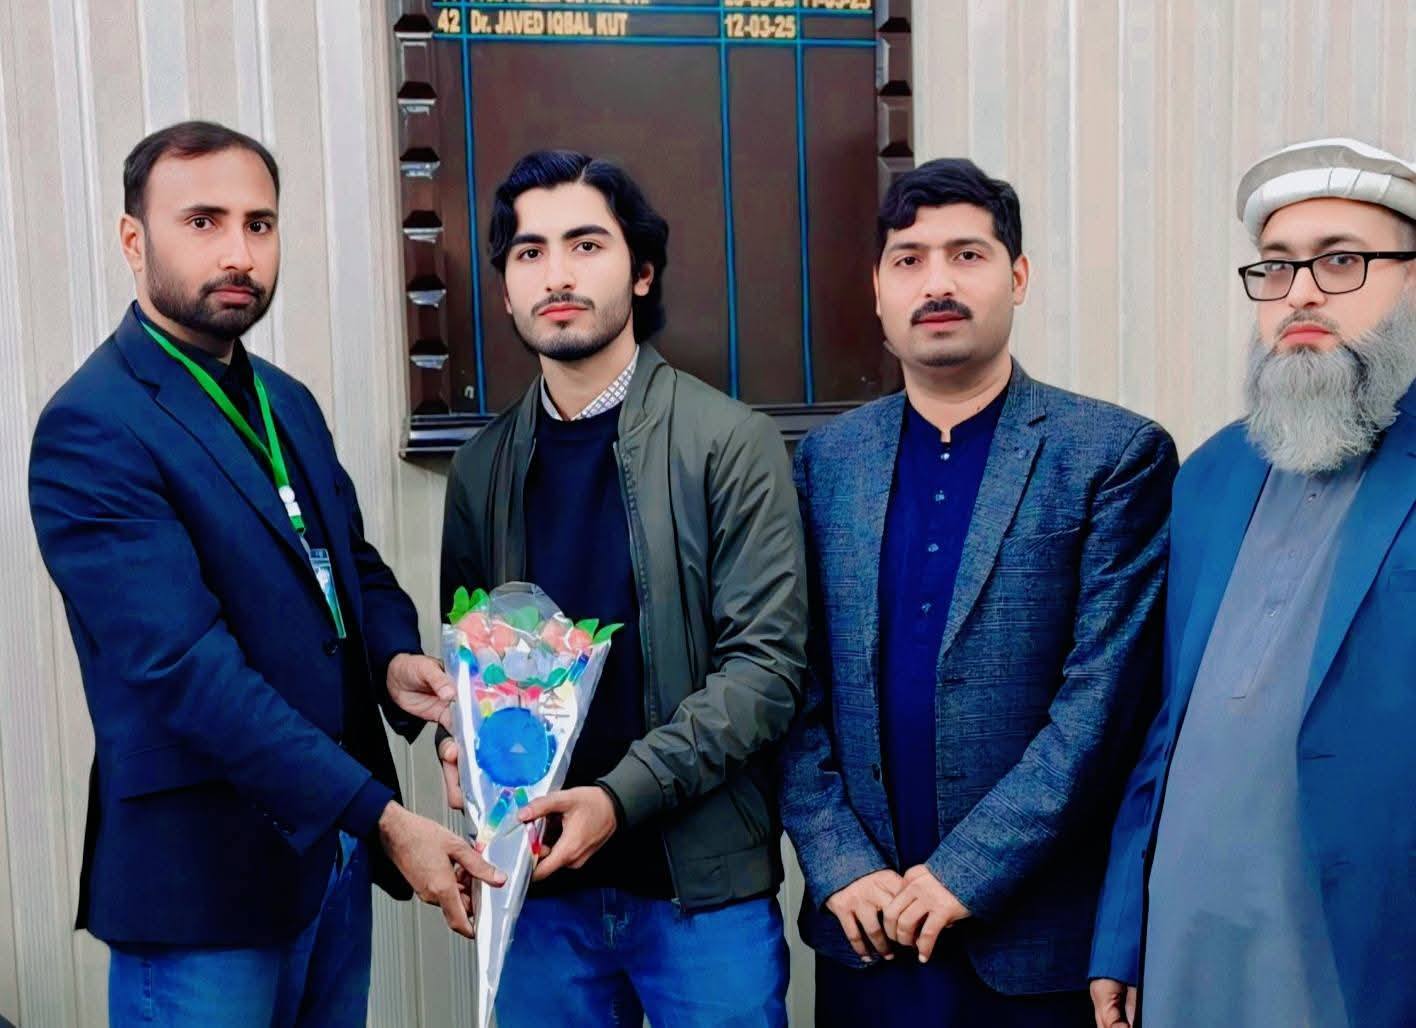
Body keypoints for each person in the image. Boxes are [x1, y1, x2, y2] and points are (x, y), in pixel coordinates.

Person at [28, 120, 503, 1027]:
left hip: (328, 865)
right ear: (133, 240)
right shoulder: (92, 427)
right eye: (202, 222)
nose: (238, 253)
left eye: (259, 224)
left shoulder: (284, 399)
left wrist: (393, 661)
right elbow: (185, 670)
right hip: (204, 890)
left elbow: (350, 565)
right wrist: (382, 817)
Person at [780, 157, 1177, 1026]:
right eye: (909, 260)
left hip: (1032, 942)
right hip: (867, 931)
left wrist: (966, 872)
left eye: (967, 255)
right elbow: (790, 684)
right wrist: (837, 861)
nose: (937, 283)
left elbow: (1102, 708)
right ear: (878, 291)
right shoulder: (825, 463)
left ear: (1018, 277)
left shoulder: (1111, 455)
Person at [437, 150, 807, 1027]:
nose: (556, 275)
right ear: (506, 290)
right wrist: (464, 744)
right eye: (529, 253)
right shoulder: (481, 469)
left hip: (699, 894)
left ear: (641, 272)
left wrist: (617, 797)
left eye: (586, 245)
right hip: (538, 893)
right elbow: (472, 663)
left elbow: (766, 672)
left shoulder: (731, 443)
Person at [1091, 137, 1416, 1028]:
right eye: (1276, 267)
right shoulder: (1211, 473)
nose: (1300, 292)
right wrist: (1122, 933)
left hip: (1361, 957)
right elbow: (1164, 726)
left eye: (1340, 261)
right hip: (1190, 946)